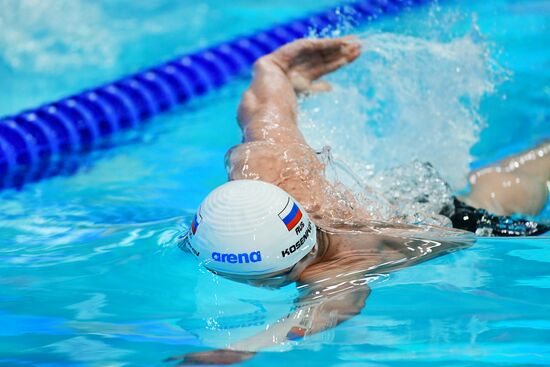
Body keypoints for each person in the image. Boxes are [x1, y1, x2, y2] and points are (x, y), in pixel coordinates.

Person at [169, 37, 549, 365]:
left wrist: (241, 349)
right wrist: (276, 68)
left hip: (459, 225)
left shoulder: (340, 269)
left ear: (293, 268)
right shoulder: (263, 167)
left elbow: (320, 316)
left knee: (511, 188)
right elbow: (264, 108)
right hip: (399, 203)